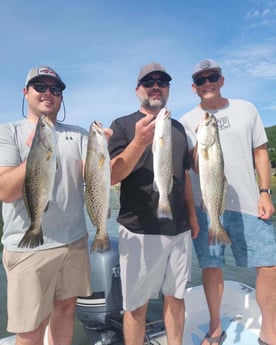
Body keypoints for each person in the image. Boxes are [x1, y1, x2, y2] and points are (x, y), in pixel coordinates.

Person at [180, 58, 276, 345]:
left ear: (222, 80)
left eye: (213, 77)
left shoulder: (247, 109)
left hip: (249, 203)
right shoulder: (186, 122)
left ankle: (270, 332)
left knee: (269, 266)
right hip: (206, 206)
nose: (207, 83)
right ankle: (214, 326)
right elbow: (189, 169)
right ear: (193, 87)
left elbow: (260, 151)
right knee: (211, 267)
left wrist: (265, 192)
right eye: (201, 80)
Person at [0, 66, 94, 345]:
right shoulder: (8, 132)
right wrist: (35, 153)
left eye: (55, 88)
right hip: (29, 247)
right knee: (30, 328)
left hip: (74, 242)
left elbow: (97, 175)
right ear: (25, 92)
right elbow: (5, 191)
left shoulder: (78, 135)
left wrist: (109, 149)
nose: (48, 93)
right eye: (40, 86)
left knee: (65, 312)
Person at [108, 62, 200, 345]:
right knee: (136, 306)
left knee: (176, 297)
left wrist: (193, 217)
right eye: (149, 82)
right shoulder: (122, 125)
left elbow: (183, 175)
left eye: (163, 82)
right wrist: (138, 142)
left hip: (180, 228)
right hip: (139, 230)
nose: (156, 86)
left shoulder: (180, 129)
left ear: (169, 89)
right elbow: (112, 175)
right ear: (138, 90)